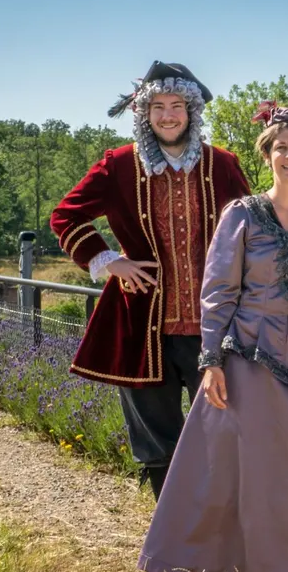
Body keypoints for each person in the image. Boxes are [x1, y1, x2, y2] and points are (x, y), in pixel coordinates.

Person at [137, 102, 288, 572]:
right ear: (267, 155)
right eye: (281, 147)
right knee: (235, 472)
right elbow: (218, 291)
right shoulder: (241, 215)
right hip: (249, 361)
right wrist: (211, 359)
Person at [49, 61, 250, 499]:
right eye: (158, 106)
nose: (168, 115)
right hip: (143, 325)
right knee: (157, 441)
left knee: (224, 431)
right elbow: (65, 215)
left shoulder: (223, 165)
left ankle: (220, 536)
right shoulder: (119, 165)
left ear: (192, 111)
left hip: (215, 329)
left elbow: (255, 234)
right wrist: (106, 260)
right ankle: (169, 535)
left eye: (177, 105)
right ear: (144, 112)